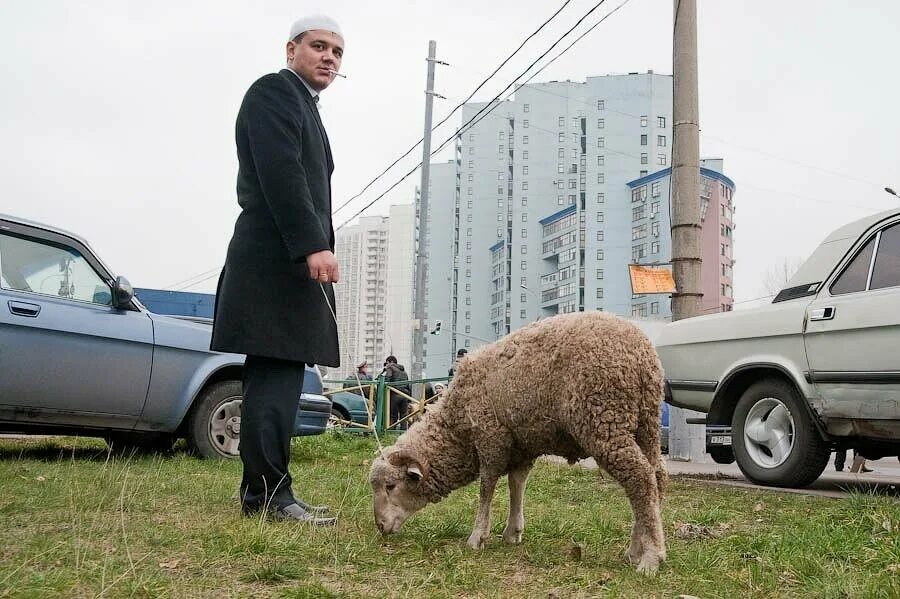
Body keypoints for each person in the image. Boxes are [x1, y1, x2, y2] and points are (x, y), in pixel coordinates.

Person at [210, 15, 345, 525]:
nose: (328, 57)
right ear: (292, 49)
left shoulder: (304, 106)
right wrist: (314, 245)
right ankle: (268, 497)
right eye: (318, 46)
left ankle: (265, 492)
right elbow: (282, 173)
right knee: (274, 381)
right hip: (273, 262)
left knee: (280, 380)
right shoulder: (274, 92)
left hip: (285, 266)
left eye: (336, 51)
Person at [383, 356, 411, 430]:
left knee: (393, 415)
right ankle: (403, 432)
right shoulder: (404, 371)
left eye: (387, 363)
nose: (386, 365)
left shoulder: (390, 368)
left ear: (391, 362)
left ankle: (391, 432)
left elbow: (387, 379)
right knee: (404, 416)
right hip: (405, 395)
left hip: (394, 394)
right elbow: (408, 385)